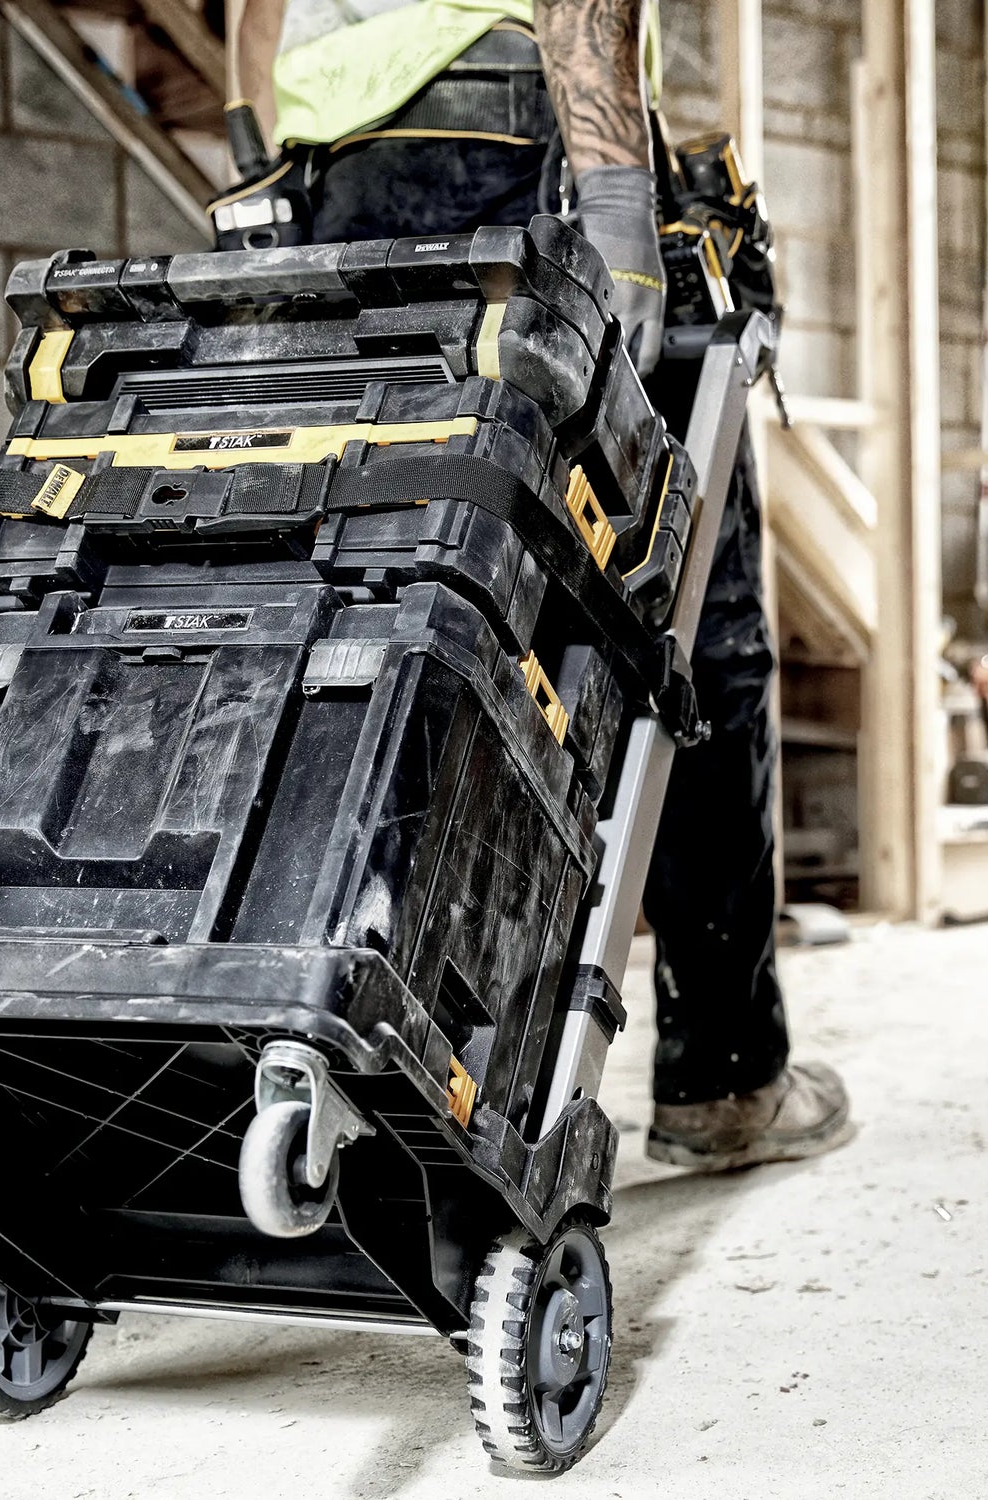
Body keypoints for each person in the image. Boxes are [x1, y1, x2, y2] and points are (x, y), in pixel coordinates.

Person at [230, 0, 852, 1171]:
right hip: (519, 143)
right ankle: (725, 1077)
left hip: (334, 182)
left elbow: (256, 18)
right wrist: (618, 200)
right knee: (680, 606)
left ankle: (395, 1064)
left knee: (395, 613)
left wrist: (260, 175)